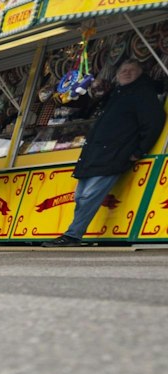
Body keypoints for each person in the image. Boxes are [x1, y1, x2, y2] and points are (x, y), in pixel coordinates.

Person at [45, 59, 166, 247]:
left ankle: (73, 235)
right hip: (95, 153)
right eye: (123, 70)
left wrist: (139, 151)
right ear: (117, 74)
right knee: (80, 196)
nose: (126, 72)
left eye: (131, 70)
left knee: (88, 196)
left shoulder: (142, 93)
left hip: (113, 155)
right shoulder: (118, 93)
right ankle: (73, 232)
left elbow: (154, 122)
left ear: (141, 73)